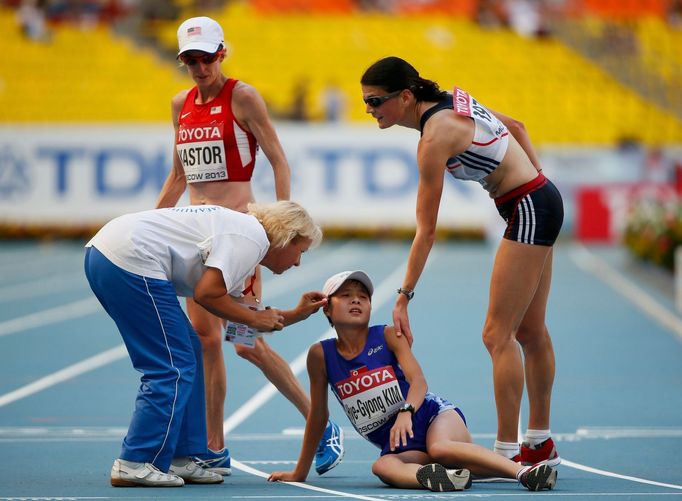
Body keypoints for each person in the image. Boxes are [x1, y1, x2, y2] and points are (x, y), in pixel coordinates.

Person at [155, 16, 343, 476]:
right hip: (194, 236)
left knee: (245, 342)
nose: (199, 68)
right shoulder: (181, 104)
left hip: (237, 236)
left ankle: (320, 424)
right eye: (190, 60)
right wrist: (150, 222)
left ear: (222, 53)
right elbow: (179, 176)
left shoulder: (242, 96)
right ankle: (213, 446)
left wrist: (279, 222)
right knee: (206, 341)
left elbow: (278, 157)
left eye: (206, 58)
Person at [360, 57, 564, 466]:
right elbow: (519, 127)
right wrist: (538, 184)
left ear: (404, 96)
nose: (370, 110)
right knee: (529, 330)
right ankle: (539, 443)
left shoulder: (434, 139)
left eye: (376, 101)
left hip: (527, 206)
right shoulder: (451, 99)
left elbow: (427, 231)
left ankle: (507, 453)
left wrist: (403, 295)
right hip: (537, 199)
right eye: (365, 102)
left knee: (496, 334)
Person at [84, 201, 327, 487]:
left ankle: (181, 456)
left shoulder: (246, 242)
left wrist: (295, 315)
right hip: (128, 259)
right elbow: (206, 295)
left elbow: (241, 325)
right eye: (301, 251)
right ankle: (136, 461)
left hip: (112, 254)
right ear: (287, 237)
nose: (298, 262)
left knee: (190, 350)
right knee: (172, 365)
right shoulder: (250, 237)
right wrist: (259, 321)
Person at [268, 271, 557, 492]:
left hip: (433, 416)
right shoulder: (320, 355)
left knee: (442, 448)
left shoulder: (387, 336)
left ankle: (524, 472)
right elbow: (318, 415)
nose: (356, 299)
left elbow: (418, 381)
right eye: (345, 295)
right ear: (327, 309)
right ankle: (442, 478)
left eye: (363, 296)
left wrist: (406, 412)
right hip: (402, 445)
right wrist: (299, 473)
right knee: (382, 465)